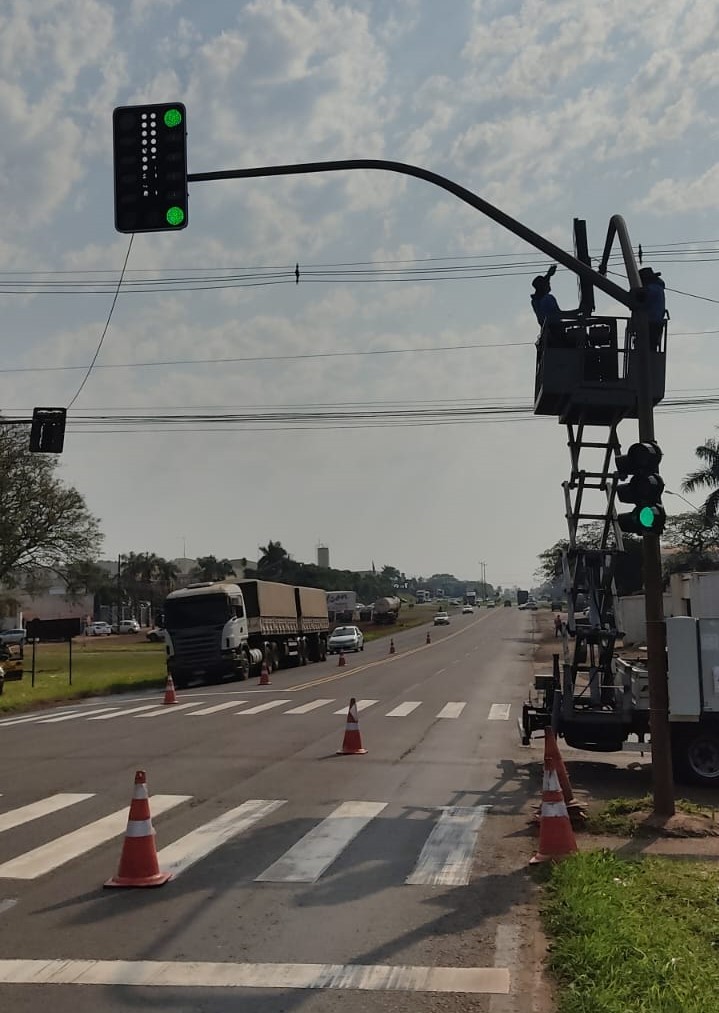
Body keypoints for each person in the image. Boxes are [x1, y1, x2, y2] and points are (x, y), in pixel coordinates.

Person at [638, 267, 667, 352]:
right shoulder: (658, 288)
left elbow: (643, 300)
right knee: (652, 348)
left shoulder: (651, 289)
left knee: (647, 348)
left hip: (651, 324)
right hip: (656, 323)